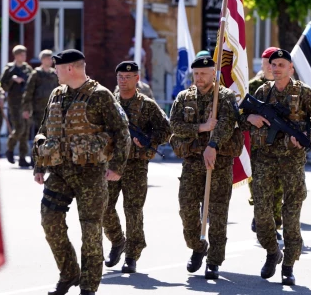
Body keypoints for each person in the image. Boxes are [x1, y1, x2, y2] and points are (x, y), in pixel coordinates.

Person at [33, 49, 131, 295]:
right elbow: (44, 130)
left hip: (90, 173)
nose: (54, 72)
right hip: (59, 172)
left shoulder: (100, 96)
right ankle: (69, 274)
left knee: (90, 229)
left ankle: (88, 286)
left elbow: (122, 132)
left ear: (69, 68)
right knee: (49, 220)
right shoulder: (57, 94)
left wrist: (117, 167)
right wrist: (39, 164)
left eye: (57, 68)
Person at [239, 49, 311, 286]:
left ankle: (289, 265)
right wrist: (249, 119)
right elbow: (238, 117)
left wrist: (307, 135)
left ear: (291, 68)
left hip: (291, 162)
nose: (276, 68)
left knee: (291, 215)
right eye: (273, 64)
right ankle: (272, 252)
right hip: (264, 162)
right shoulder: (262, 91)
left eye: (282, 64)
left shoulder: (303, 93)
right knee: (261, 214)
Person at [169, 55, 243, 280]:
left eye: (203, 73)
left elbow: (227, 124)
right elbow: (175, 125)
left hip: (219, 163)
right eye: (196, 74)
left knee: (218, 213)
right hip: (192, 162)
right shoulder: (184, 97)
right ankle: (198, 247)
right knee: (187, 210)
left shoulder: (225, 96)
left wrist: (213, 144)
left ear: (214, 73)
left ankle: (214, 261)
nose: (199, 77)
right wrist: (202, 127)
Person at [103, 61, 171, 273]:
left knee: (132, 211)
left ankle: (132, 255)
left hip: (136, 165)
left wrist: (149, 139)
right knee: (104, 207)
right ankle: (117, 241)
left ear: (137, 79)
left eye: (128, 77)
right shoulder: (108, 103)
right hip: (112, 162)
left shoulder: (147, 105)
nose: (123, 81)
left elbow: (166, 130)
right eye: (120, 77)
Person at [247, 46, 283, 239]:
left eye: (275, 63)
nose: (271, 67)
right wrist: (250, 117)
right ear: (262, 63)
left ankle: (273, 225)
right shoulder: (252, 86)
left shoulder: (286, 85)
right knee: (259, 187)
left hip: (280, 146)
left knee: (278, 188)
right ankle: (260, 216)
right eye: (268, 62)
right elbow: (238, 112)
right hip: (257, 146)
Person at [0, 45, 34, 167]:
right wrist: (12, 80)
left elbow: (32, 85)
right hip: (14, 102)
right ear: (15, 56)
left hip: (26, 102)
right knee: (19, 128)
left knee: (26, 130)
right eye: (21, 54)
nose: (23, 57)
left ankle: (23, 157)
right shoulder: (9, 69)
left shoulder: (28, 69)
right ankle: (10, 148)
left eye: (24, 54)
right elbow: (2, 86)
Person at [22, 49, 59, 133]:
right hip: (38, 109)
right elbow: (28, 92)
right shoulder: (36, 74)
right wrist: (26, 109)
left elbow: (59, 90)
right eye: (48, 58)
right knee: (42, 132)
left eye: (51, 59)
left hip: (52, 108)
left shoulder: (55, 74)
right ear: (42, 59)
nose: (51, 61)